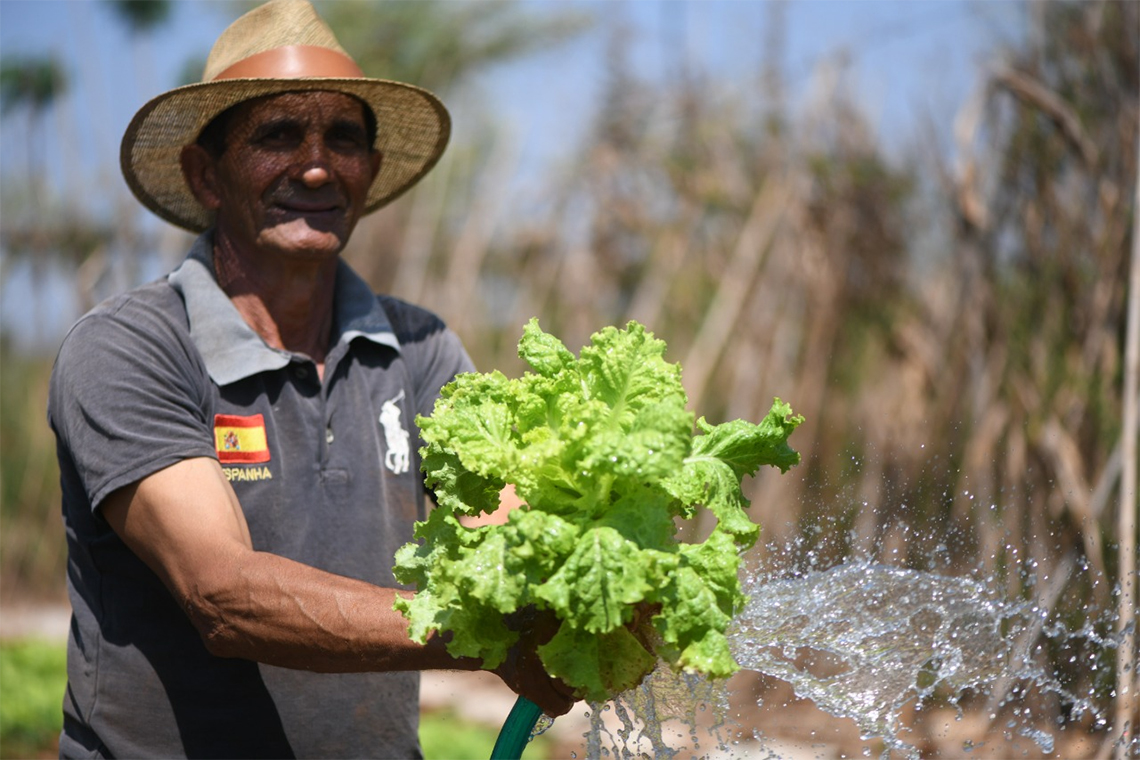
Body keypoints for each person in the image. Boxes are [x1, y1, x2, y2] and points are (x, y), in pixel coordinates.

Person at [47, 1, 575, 757]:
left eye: (345, 139)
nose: (319, 165)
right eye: (279, 135)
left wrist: (579, 588)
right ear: (206, 174)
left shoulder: (419, 349)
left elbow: (500, 533)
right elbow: (222, 595)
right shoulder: (132, 347)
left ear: (372, 171)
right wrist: (482, 634)